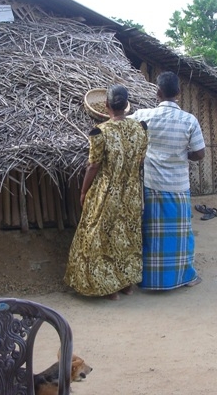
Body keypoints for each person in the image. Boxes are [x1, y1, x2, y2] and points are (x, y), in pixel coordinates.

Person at [64, 85, 148, 300]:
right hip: (132, 193)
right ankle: (126, 285)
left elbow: (93, 166)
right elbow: (140, 161)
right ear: (126, 106)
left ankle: (107, 289)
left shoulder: (100, 132)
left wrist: (84, 192)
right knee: (128, 238)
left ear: (107, 106)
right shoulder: (141, 129)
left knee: (99, 238)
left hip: (107, 192)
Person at [129, 71, 205, 290]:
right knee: (180, 234)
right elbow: (199, 154)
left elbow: (123, 126)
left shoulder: (144, 115)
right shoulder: (189, 120)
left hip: (153, 185)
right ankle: (184, 277)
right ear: (179, 93)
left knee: (152, 233)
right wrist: (182, 154)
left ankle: (151, 279)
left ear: (158, 92)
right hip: (179, 186)